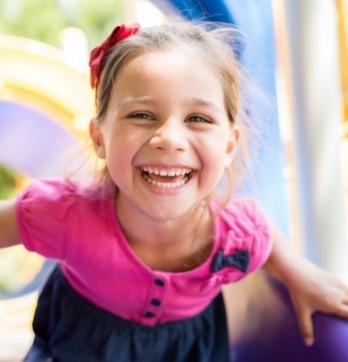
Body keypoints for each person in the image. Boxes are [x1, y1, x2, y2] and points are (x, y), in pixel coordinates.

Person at [0, 19, 348, 362]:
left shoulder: (235, 237)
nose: (169, 139)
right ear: (100, 138)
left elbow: (260, 230)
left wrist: (299, 272)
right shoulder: (62, 214)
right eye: (141, 115)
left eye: (198, 118)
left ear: (229, 145)